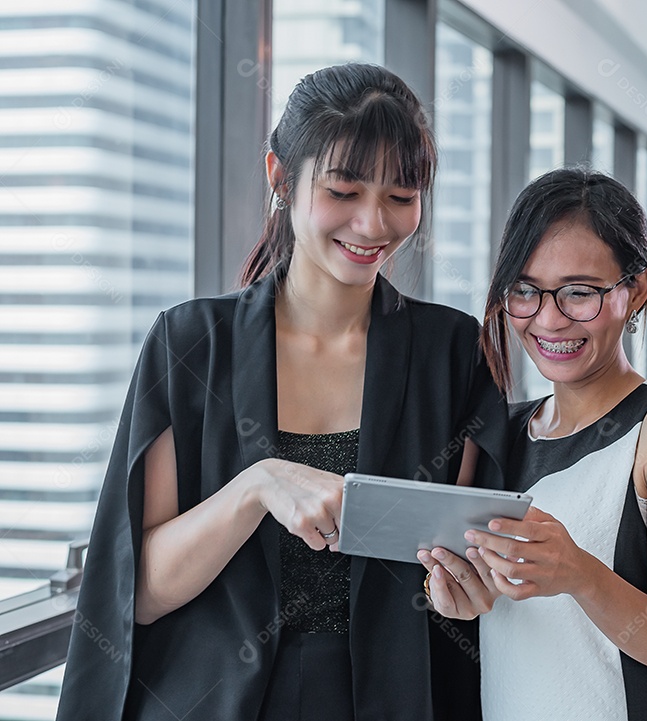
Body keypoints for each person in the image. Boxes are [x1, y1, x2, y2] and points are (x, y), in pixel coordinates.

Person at [56, 63, 506, 721]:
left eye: (401, 196)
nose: (373, 223)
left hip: (388, 698)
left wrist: (465, 592)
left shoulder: (452, 353)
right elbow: (140, 592)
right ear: (279, 176)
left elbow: (462, 569)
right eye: (344, 190)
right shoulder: (190, 343)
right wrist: (257, 483)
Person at [419, 167, 647, 721]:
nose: (550, 320)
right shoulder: (499, 432)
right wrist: (459, 599)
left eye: (579, 293)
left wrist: (581, 574)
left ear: (636, 290)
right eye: (525, 292)